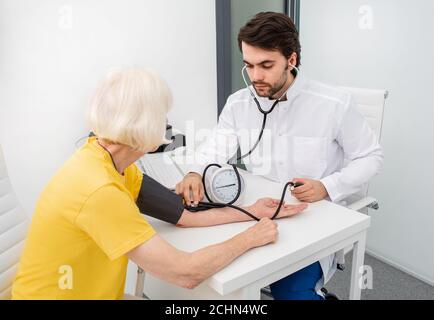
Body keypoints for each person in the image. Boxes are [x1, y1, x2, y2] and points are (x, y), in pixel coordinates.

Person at [11, 67, 308, 300]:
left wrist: (254, 211)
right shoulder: (98, 190)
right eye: (163, 115)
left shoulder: (111, 163)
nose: (167, 122)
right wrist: (250, 237)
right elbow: (186, 273)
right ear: (145, 125)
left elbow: (183, 215)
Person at [175, 12, 384, 300]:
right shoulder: (239, 104)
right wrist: (195, 171)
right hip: (255, 211)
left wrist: (328, 186)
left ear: (292, 60)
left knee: (290, 290)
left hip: (311, 219)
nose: (256, 76)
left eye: (266, 65)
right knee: (210, 272)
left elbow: (371, 157)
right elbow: (215, 148)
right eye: (248, 65)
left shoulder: (333, 104)